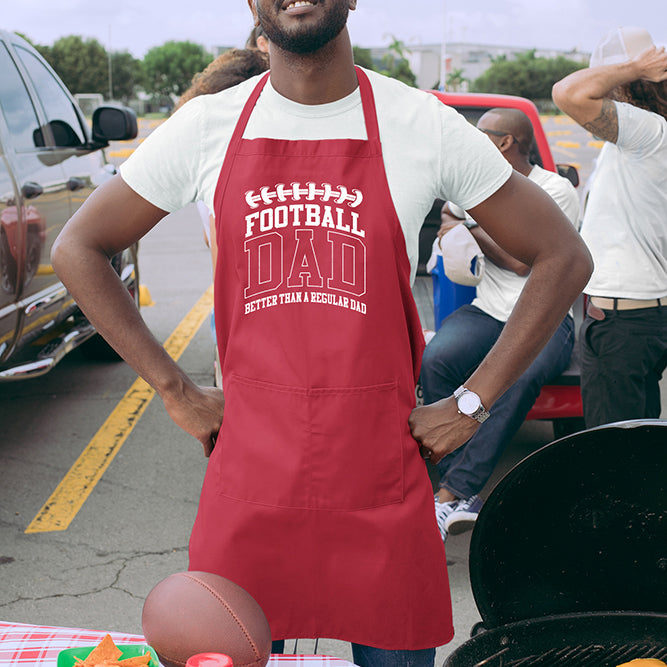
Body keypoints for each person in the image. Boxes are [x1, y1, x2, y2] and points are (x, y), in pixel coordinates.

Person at [51, 1, 592, 665]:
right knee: (233, 653)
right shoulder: (206, 126)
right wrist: (174, 387)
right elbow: (79, 248)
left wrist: (472, 401)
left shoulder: (419, 122)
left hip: (381, 475)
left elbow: (563, 257)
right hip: (250, 475)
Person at [420, 108, 580, 540]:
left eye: (482, 133)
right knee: (436, 357)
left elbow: (521, 261)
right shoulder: (472, 184)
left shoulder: (555, 190)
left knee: (517, 376)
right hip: (488, 311)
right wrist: (463, 223)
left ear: (506, 141)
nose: (475, 138)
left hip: (544, 318)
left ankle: (456, 491)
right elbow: (446, 220)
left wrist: (468, 224)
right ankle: (450, 476)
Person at [552, 27, 667, 429]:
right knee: (642, 436)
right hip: (645, 317)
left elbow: (568, 93)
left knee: (611, 453)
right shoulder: (653, 136)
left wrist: (634, 67)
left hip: (625, 323)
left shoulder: (646, 134)